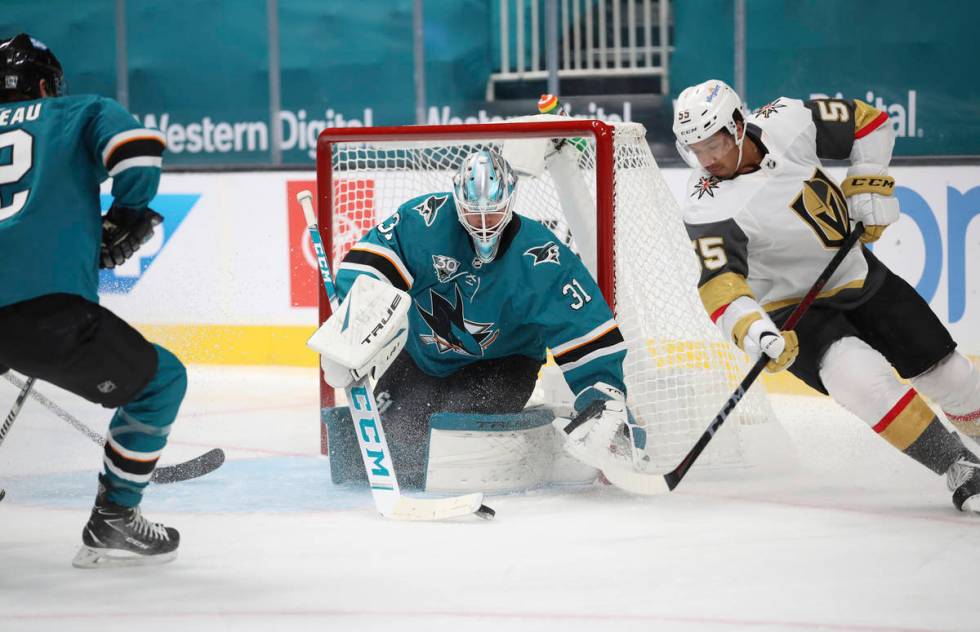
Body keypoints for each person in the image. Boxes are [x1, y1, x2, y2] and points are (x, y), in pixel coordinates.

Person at [674, 79, 980, 512]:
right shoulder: (706, 205)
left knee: (947, 376)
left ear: (739, 125)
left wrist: (866, 181)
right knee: (858, 379)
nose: (706, 159)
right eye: (694, 149)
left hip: (858, 275)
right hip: (790, 310)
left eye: (714, 144)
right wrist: (753, 329)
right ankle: (959, 467)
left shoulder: (787, 119)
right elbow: (718, 282)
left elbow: (868, 121)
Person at [314, 148, 643, 489]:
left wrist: (601, 391)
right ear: (458, 202)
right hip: (422, 359)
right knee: (391, 446)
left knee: (451, 439)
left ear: (511, 199)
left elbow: (583, 327)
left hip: (503, 366)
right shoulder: (423, 222)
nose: (484, 225)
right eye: (474, 214)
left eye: (494, 212)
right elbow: (369, 268)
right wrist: (351, 333)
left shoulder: (542, 256)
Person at [0, 34, 185, 565]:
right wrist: (127, 216)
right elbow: (138, 150)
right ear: (42, 85)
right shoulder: (75, 111)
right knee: (161, 382)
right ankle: (115, 518)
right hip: (44, 309)